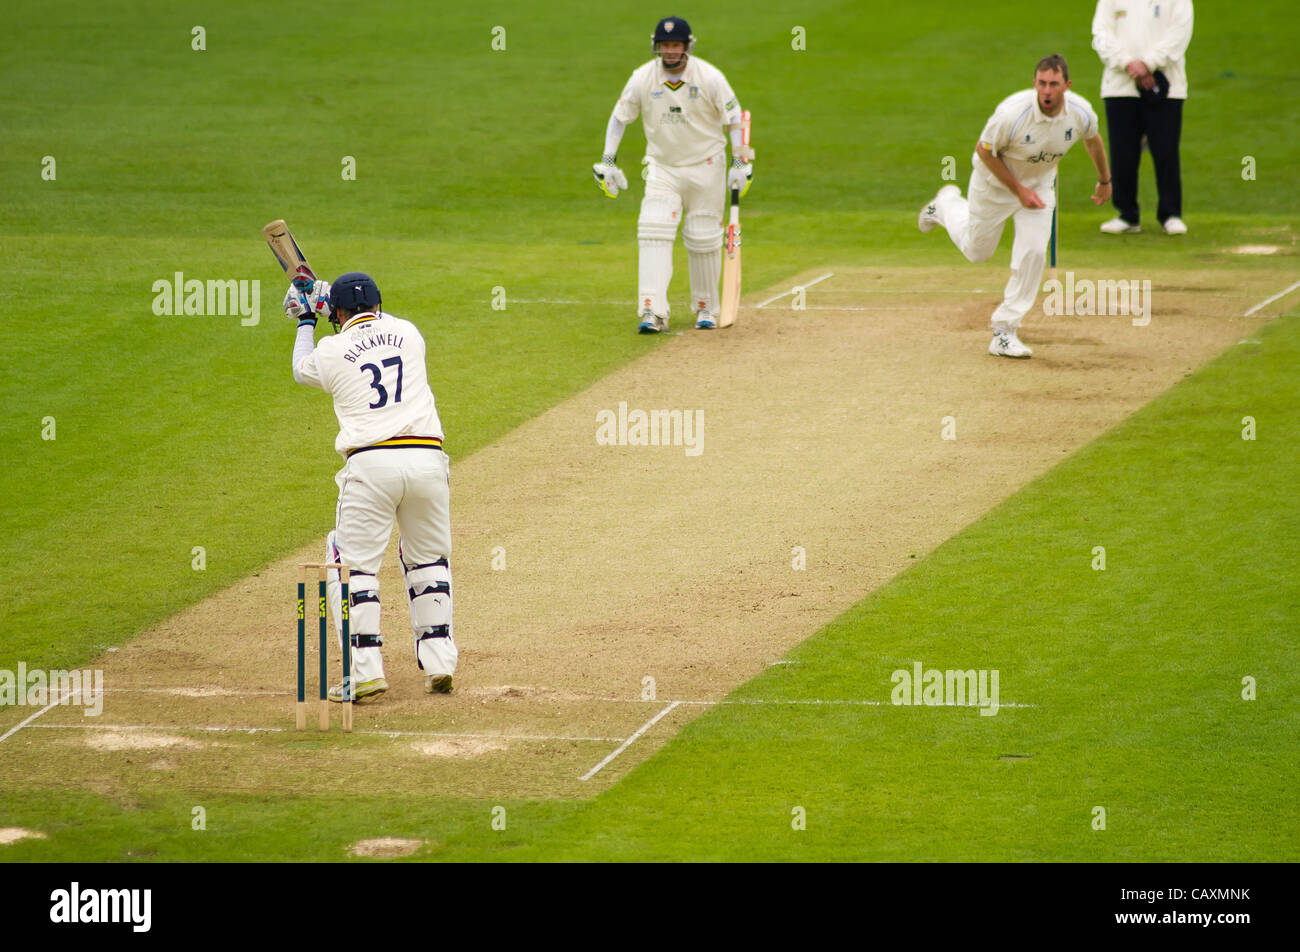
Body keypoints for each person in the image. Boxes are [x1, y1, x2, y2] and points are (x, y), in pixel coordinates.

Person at [285, 272, 457, 700]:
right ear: (378, 305)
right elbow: (373, 325)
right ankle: (439, 663)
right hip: (427, 462)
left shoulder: (330, 350)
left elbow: (301, 369)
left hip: (371, 466)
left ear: (339, 313)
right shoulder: (409, 333)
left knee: (353, 567)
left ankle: (365, 672)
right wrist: (327, 299)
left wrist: (307, 317)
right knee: (429, 562)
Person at [918, 54, 1112, 358]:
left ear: (1067, 86)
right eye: (1042, 84)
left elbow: (1093, 140)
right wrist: (1017, 189)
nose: (1047, 91)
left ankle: (1004, 331)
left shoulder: (1080, 112)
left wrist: (1104, 180)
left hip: (1038, 187)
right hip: (993, 186)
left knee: (1034, 251)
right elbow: (984, 151)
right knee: (977, 252)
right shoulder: (1013, 114)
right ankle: (945, 205)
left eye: (1054, 84)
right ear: (1034, 83)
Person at [592, 15, 753, 333]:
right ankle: (652, 310)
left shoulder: (710, 77)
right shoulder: (642, 78)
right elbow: (619, 117)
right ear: (657, 46)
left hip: (706, 165)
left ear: (687, 46)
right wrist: (608, 160)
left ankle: (706, 307)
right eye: (665, 45)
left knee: (703, 236)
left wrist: (740, 163)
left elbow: (735, 119)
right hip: (662, 166)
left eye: (675, 45)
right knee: (652, 230)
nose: (670, 51)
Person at [1092, 0, 1193, 235]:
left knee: (1165, 150)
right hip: (1120, 86)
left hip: (1166, 85)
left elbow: (1179, 34)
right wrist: (1128, 63)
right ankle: (1127, 214)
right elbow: (1101, 33)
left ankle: (1171, 214)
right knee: (1123, 151)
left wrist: (1149, 63)